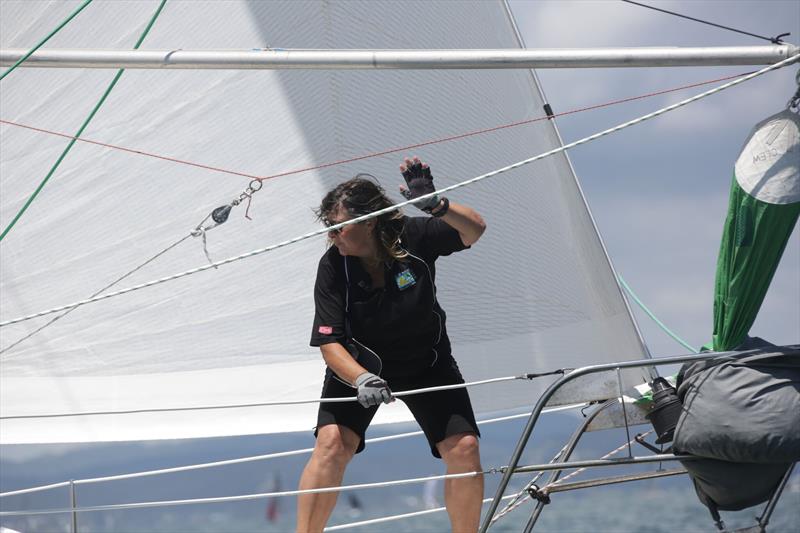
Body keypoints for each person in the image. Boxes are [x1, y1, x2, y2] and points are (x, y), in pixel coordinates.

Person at [296, 157, 487, 533]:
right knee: (332, 444)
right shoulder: (334, 266)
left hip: (428, 364)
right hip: (358, 370)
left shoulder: (415, 236)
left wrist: (438, 206)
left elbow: (474, 230)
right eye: (328, 228)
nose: (331, 236)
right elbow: (330, 344)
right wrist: (363, 378)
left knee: (464, 449)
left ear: (368, 222)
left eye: (337, 228)